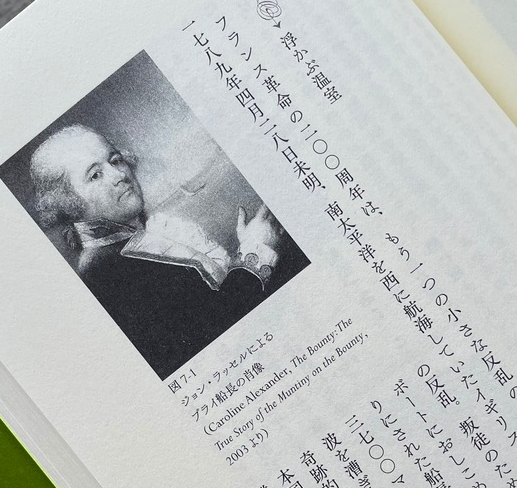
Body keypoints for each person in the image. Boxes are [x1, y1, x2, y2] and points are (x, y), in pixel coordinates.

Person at [27, 125, 308, 378]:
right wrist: (256, 251)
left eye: (115, 160)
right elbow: (222, 335)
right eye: (95, 175)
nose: (119, 175)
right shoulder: (104, 273)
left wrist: (247, 250)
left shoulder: (136, 240)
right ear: (69, 204)